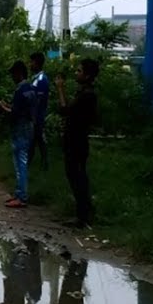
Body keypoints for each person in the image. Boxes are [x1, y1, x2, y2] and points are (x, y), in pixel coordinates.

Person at [56, 58, 99, 228]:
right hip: (76, 140)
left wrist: (60, 89)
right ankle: (85, 211)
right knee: (78, 176)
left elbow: (65, 110)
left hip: (77, 141)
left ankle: (82, 216)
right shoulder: (84, 93)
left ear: (87, 75)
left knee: (76, 177)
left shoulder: (87, 95)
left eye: (79, 71)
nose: (76, 73)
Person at [0, 60, 38, 208]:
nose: (12, 77)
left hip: (20, 128)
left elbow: (15, 113)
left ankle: (22, 196)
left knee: (20, 163)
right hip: (28, 126)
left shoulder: (20, 90)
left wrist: (3, 108)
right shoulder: (31, 88)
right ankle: (19, 193)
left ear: (19, 73)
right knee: (22, 161)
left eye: (13, 73)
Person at [28, 51, 52, 172]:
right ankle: (36, 163)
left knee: (39, 139)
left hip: (37, 116)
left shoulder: (41, 80)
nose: (30, 64)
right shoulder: (35, 79)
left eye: (31, 62)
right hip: (34, 116)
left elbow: (38, 100)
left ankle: (44, 163)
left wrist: (34, 116)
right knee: (34, 140)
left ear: (36, 63)